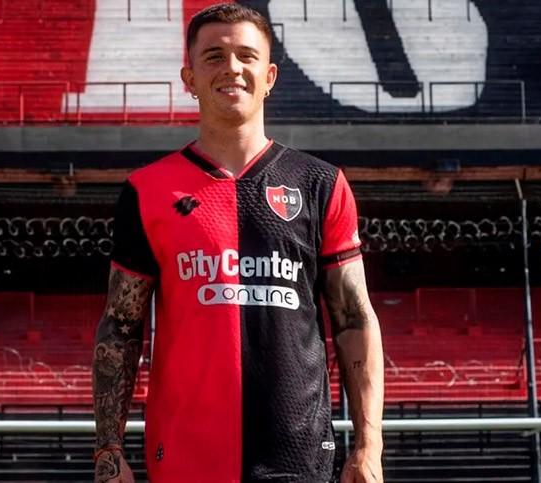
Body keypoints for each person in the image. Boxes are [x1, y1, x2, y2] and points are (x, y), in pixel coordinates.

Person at [93, 4, 384, 482]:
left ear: (269, 77)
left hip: (299, 459)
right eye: (214, 56)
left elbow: (354, 317)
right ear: (189, 78)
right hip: (186, 458)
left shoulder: (321, 184)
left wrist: (369, 445)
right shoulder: (147, 190)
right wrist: (109, 449)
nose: (231, 67)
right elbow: (120, 326)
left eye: (247, 55)